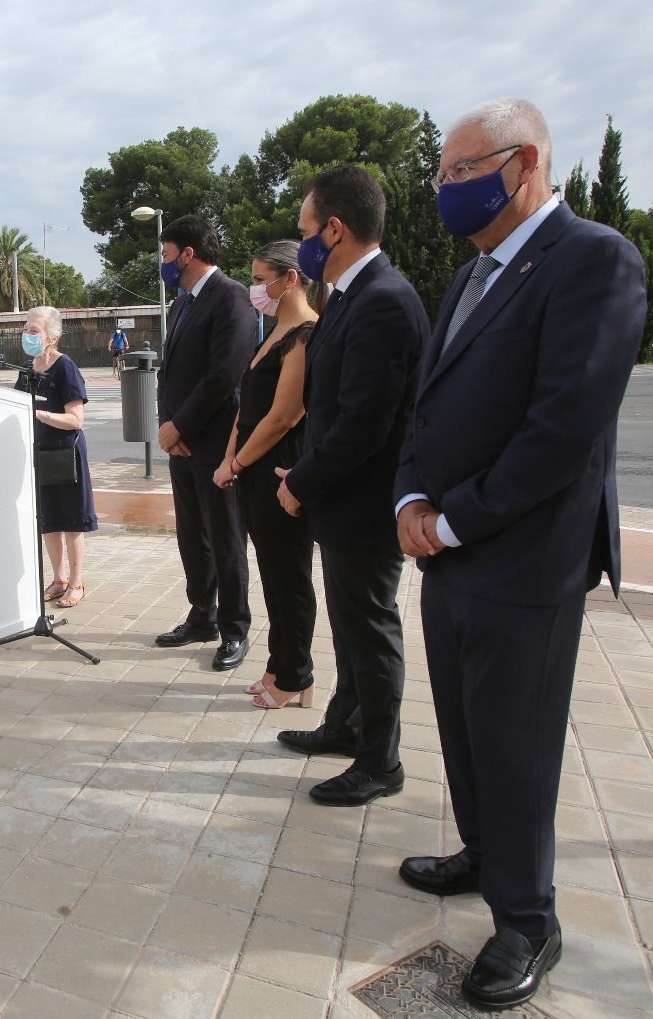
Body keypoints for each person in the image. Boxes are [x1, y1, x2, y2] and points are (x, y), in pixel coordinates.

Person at [394, 98, 646, 1009]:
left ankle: (528, 922)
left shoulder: (594, 261)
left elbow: (562, 427)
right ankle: (481, 852)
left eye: (463, 172)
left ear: (526, 161)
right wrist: (411, 497)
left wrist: (454, 518)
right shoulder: (470, 277)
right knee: (464, 727)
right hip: (449, 549)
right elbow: (427, 406)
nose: (446, 190)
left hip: (523, 556)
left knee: (515, 740)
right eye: (443, 176)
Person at [273, 167, 429, 809]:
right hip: (342, 501)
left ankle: (380, 760)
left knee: (369, 626)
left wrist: (301, 483)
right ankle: (346, 725)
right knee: (348, 623)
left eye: (307, 232)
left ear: (335, 229)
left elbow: (366, 422)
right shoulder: (348, 297)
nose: (303, 245)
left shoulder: (385, 301)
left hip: (364, 505)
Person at [211, 240, 317, 709]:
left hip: (278, 466)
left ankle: (297, 676)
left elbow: (283, 416)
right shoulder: (273, 331)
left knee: (289, 575)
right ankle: (279, 664)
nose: (255, 288)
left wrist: (237, 462)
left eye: (260, 279)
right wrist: (229, 456)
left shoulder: (307, 333)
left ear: (289, 278)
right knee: (272, 575)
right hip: (252, 466)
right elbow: (247, 407)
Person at [153, 214, 257, 671]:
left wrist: (183, 426)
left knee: (226, 537)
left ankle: (235, 628)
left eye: (166, 254)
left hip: (216, 445)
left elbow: (223, 376)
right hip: (183, 446)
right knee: (192, 537)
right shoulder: (182, 304)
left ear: (188, 254)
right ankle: (202, 615)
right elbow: (168, 372)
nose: (163, 263)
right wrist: (166, 425)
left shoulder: (230, 297)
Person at [17, 307, 96, 607]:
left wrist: (42, 415)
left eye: (34, 331)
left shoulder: (65, 367)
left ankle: (77, 582)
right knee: (49, 520)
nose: (27, 335)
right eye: (25, 329)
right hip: (39, 455)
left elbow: (76, 419)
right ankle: (58, 579)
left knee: (72, 520)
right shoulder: (27, 368)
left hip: (66, 454)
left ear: (53, 337)